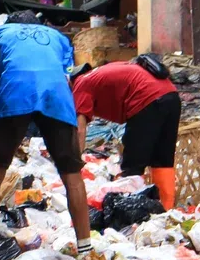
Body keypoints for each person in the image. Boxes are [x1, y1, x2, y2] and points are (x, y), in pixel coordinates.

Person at [0, 11, 93, 260]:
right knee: (72, 173)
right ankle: (86, 250)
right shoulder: (59, 37)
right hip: (57, 97)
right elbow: (65, 74)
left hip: (15, 94)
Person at [71, 61, 182, 209]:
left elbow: (80, 129)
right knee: (162, 159)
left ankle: (132, 210)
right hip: (171, 96)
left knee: (133, 162)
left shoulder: (80, 83)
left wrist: (74, 163)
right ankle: (166, 209)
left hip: (146, 100)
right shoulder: (99, 74)